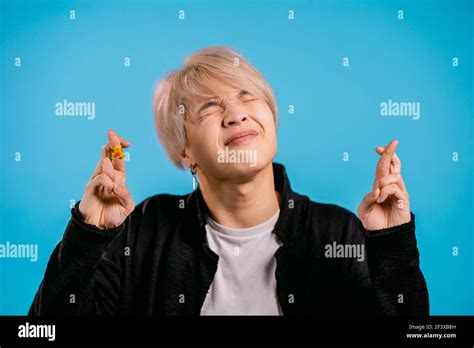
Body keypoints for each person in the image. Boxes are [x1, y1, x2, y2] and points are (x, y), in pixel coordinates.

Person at [29, 46, 429, 316]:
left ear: (272, 118)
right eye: (210, 108)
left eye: (247, 98)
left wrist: (391, 246)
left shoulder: (336, 232)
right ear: (186, 152)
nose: (236, 115)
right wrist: (89, 234)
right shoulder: (143, 232)